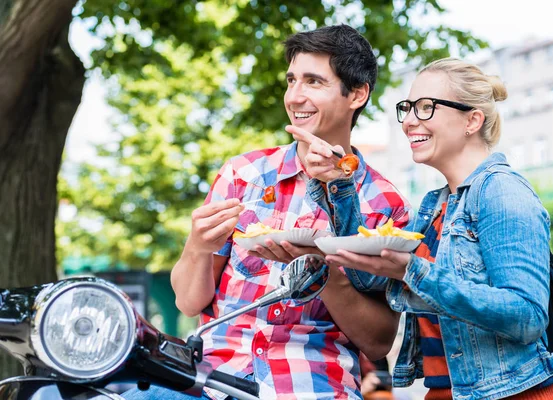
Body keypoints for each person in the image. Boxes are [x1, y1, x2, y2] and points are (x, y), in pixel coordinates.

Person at [123, 25, 411, 400]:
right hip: (211, 381)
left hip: (310, 385)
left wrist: (325, 275)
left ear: (356, 94)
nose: (295, 96)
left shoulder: (383, 204)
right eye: (292, 80)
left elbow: (378, 342)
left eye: (313, 82)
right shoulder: (243, 175)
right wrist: (196, 247)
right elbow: (189, 303)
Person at [298, 58, 553, 399]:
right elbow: (367, 278)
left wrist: (415, 271)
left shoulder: (502, 192)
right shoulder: (436, 204)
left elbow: (526, 316)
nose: (408, 121)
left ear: (472, 120)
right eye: (407, 108)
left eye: (425, 108)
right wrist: (341, 185)